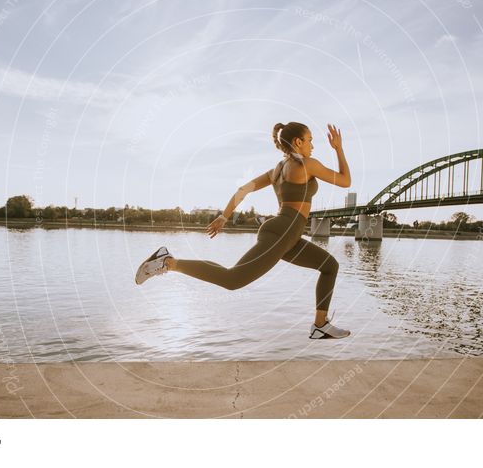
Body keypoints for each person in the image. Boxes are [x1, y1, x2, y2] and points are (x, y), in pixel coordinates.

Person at [135, 122, 352, 339]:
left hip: (285, 234)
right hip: (284, 232)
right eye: (310, 140)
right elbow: (345, 181)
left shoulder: (276, 170)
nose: (312, 145)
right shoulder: (307, 165)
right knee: (233, 279)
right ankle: (168, 262)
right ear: (298, 142)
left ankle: (320, 325)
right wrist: (339, 148)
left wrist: (224, 216)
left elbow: (243, 189)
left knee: (329, 266)